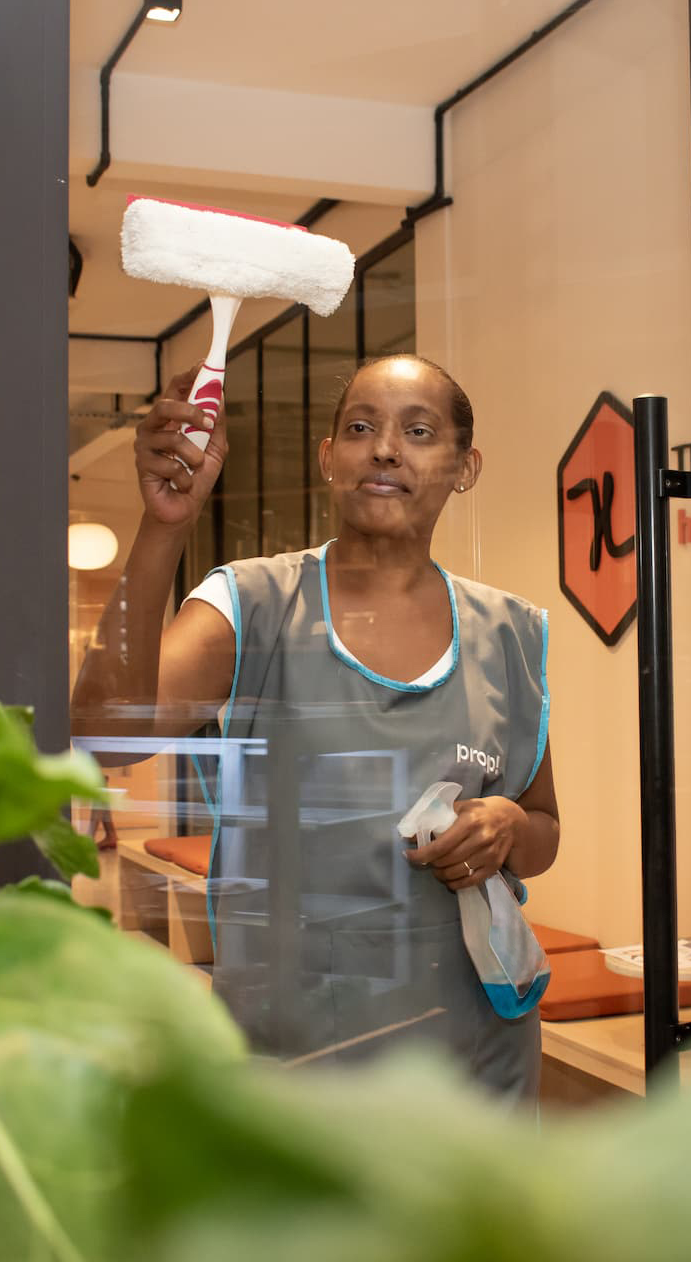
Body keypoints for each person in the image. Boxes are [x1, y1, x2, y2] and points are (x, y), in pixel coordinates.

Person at [72, 353, 559, 1100]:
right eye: (361, 428)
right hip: (298, 1053)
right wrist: (164, 527)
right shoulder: (254, 604)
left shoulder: (510, 634)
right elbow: (105, 735)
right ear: (331, 459)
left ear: (466, 466)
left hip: (473, 1051)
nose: (386, 449)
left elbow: (544, 827)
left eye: (419, 432)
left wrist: (504, 827)